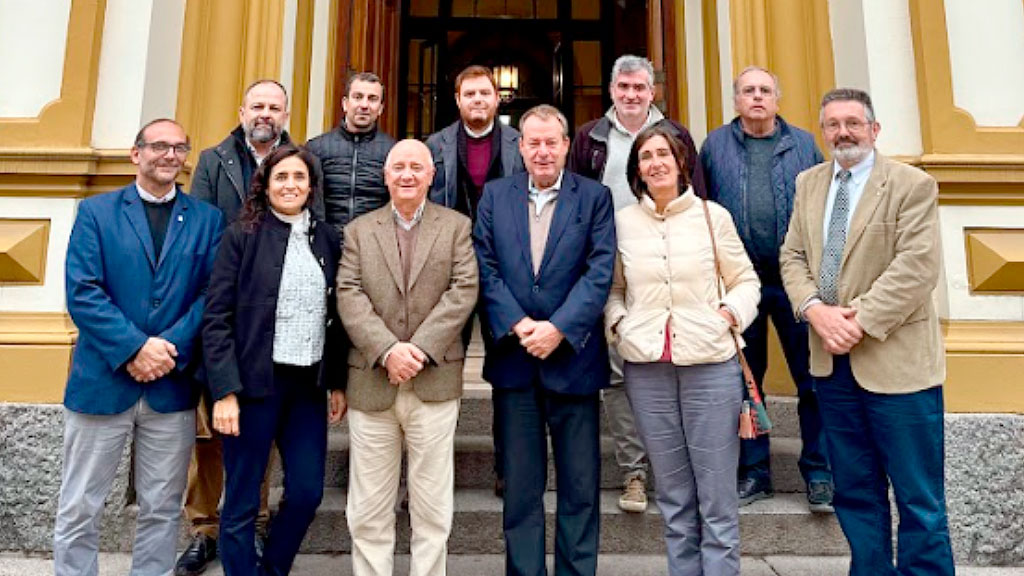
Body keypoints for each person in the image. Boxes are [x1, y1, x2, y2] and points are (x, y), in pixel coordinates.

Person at [780, 88, 954, 576]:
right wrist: (815, 310)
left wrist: (853, 321)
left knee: (919, 497)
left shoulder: (911, 185)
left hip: (897, 367)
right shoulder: (808, 184)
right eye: (832, 124)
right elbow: (792, 256)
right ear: (822, 132)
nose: (843, 132)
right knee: (855, 491)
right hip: (832, 368)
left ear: (874, 130)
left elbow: (917, 268)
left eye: (853, 123)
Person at [54, 119, 224, 576]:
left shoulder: (207, 220)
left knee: (163, 509)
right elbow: (83, 292)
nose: (170, 155)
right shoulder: (96, 213)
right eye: (160, 146)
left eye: (179, 148)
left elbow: (211, 294)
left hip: (170, 387)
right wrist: (133, 348)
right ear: (136, 154)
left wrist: (165, 348)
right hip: (103, 382)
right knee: (79, 507)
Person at [606, 124, 760, 576]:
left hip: (711, 366)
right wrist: (620, 324)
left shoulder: (714, 217)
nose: (655, 163)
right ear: (637, 169)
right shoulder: (622, 223)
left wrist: (727, 315)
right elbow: (613, 290)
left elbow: (746, 280)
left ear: (680, 162)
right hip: (647, 369)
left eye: (663, 154)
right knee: (673, 498)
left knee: (717, 499)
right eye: (646, 156)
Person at [474, 104, 615, 576]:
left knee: (579, 489)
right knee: (520, 490)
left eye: (551, 142)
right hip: (515, 364)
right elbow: (485, 266)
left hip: (573, 361)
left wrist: (558, 328)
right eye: (533, 142)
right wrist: (518, 324)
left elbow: (599, 271)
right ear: (521, 146)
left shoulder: (594, 198)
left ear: (565, 144)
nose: (542, 151)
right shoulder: (494, 196)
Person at [568, 54, 705, 512]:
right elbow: (575, 201)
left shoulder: (677, 136)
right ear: (612, 90)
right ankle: (634, 473)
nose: (631, 95)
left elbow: (699, 199)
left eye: (639, 88)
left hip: (673, 265)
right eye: (623, 87)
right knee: (620, 371)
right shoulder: (590, 138)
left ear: (652, 92)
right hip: (612, 266)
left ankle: (678, 471)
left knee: (677, 365)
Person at [202, 144, 348, 576]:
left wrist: (336, 381)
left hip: (307, 387)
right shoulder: (241, 235)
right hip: (252, 387)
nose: (291, 185)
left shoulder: (329, 238)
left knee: (306, 492)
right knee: (244, 498)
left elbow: (337, 315)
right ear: (265, 185)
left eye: (299, 177)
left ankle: (272, 570)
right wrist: (224, 391)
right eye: (281, 177)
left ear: (312, 186)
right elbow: (216, 317)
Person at [336, 139, 478, 576]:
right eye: (399, 167)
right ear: (385, 174)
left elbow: (464, 289)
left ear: (432, 174)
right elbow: (349, 292)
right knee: (368, 508)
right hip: (372, 384)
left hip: (433, 383)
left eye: (417, 167)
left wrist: (416, 350)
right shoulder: (359, 230)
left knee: (432, 506)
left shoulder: (456, 226)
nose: (407, 175)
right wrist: (386, 350)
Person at [179, 78, 299, 576]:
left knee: (260, 432)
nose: (265, 113)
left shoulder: (297, 160)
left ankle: (254, 520)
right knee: (209, 431)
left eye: (274, 106)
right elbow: (202, 228)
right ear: (242, 109)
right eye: (257, 105)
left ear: (286, 113)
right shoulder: (213, 159)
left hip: (276, 313)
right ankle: (205, 528)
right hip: (223, 305)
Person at [699, 66, 832, 510]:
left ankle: (819, 473)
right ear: (736, 100)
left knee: (812, 379)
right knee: (744, 381)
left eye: (764, 91)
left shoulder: (804, 145)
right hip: (741, 284)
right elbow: (703, 209)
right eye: (748, 91)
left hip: (797, 280)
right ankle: (755, 473)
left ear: (777, 98)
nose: (756, 97)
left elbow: (823, 206)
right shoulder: (715, 146)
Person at [426, 63, 526, 496]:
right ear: (458, 99)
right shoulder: (435, 146)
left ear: (496, 98)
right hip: (450, 271)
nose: (478, 101)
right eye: (470, 94)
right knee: (442, 366)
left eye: (485, 93)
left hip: (504, 270)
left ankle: (509, 465)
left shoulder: (521, 145)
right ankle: (434, 468)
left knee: (507, 370)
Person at [306, 71, 396, 235]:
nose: (364, 105)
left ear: (381, 108)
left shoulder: (394, 151)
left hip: (375, 245)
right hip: (327, 244)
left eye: (372, 99)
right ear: (345, 103)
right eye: (358, 97)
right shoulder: (315, 148)